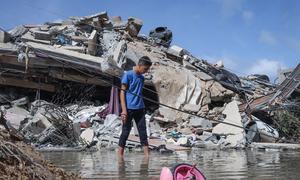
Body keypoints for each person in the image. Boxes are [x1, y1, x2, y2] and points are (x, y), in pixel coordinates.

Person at [118, 56, 152, 157]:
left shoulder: (141, 78)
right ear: (140, 65)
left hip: (140, 108)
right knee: (125, 132)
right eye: (145, 69)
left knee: (143, 132)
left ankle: (147, 157)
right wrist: (124, 110)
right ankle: (120, 156)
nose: (146, 71)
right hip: (129, 109)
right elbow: (122, 93)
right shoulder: (128, 75)